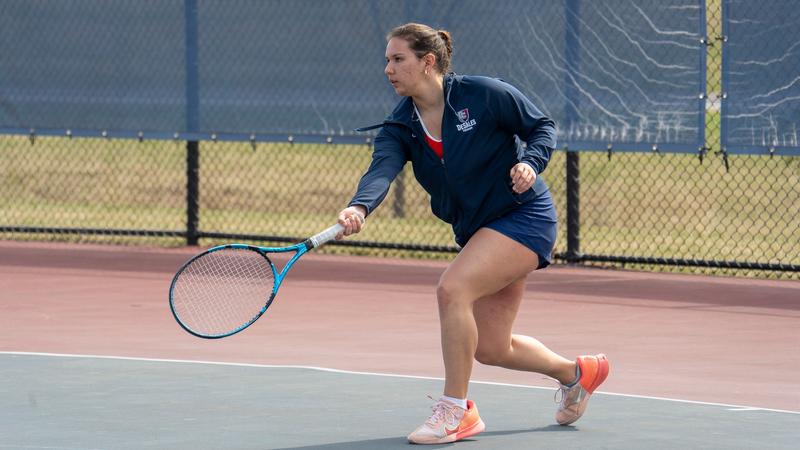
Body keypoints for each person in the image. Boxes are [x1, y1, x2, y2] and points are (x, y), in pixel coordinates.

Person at [336, 23, 609, 445]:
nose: (388, 69)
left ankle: (456, 410)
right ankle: (577, 374)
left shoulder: (483, 94)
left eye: (398, 59)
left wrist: (531, 163)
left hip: (524, 215)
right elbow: (380, 171)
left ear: (427, 62)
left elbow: (542, 126)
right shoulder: (400, 127)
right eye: (387, 60)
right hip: (480, 230)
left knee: (453, 290)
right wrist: (359, 206)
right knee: (492, 348)